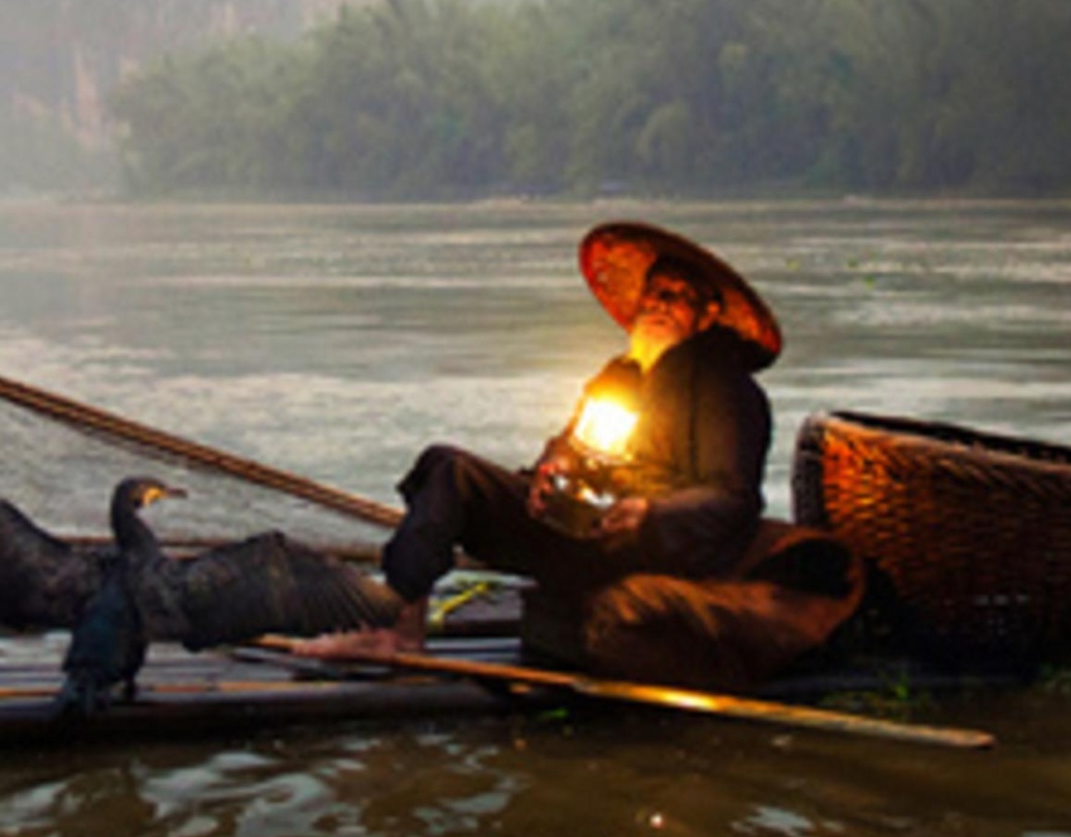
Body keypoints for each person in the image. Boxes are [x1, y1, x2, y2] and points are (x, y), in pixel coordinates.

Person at [295, 220, 782, 660]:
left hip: (657, 546)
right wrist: (552, 470)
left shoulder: (727, 390)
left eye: (676, 297)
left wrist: (651, 514)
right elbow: (574, 444)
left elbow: (733, 498)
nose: (658, 306)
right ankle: (399, 628)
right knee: (445, 471)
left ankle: (392, 633)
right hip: (588, 527)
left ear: (706, 313)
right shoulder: (620, 375)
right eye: (653, 294)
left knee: (455, 474)